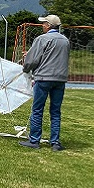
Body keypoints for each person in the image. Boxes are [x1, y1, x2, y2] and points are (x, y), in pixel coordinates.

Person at [19, 14, 70, 152]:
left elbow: (33, 60)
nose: (42, 25)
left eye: (43, 23)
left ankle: (34, 140)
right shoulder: (65, 41)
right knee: (55, 111)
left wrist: (26, 67)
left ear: (48, 25)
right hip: (60, 79)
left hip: (43, 78)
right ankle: (55, 142)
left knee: (37, 110)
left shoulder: (42, 39)